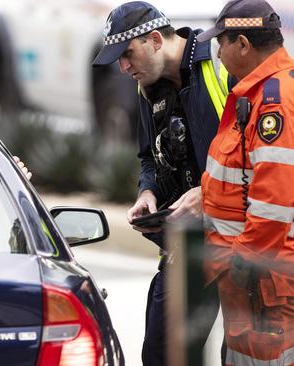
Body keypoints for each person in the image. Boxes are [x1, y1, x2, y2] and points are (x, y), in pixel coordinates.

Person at [92, 2, 228, 365]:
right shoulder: (147, 85)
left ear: (154, 40)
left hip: (240, 240)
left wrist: (208, 193)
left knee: (243, 354)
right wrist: (147, 191)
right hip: (188, 244)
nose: (123, 68)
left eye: (127, 54)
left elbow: (258, 153)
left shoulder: (221, 61)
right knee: (161, 353)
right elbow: (148, 157)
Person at [197, 0, 294, 364]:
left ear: (242, 43)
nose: (218, 53)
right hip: (257, 277)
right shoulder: (264, 90)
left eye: (222, 43)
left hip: (261, 278)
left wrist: (244, 261)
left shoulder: (276, 102)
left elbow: (273, 201)